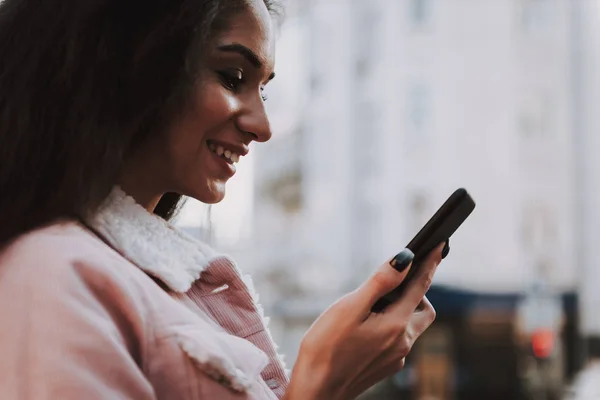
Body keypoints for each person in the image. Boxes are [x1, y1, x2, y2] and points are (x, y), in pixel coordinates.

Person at [0, 0, 445, 398]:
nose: (262, 125)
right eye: (233, 78)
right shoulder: (52, 275)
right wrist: (322, 383)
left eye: (263, 89)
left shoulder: (165, 284)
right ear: (126, 62)